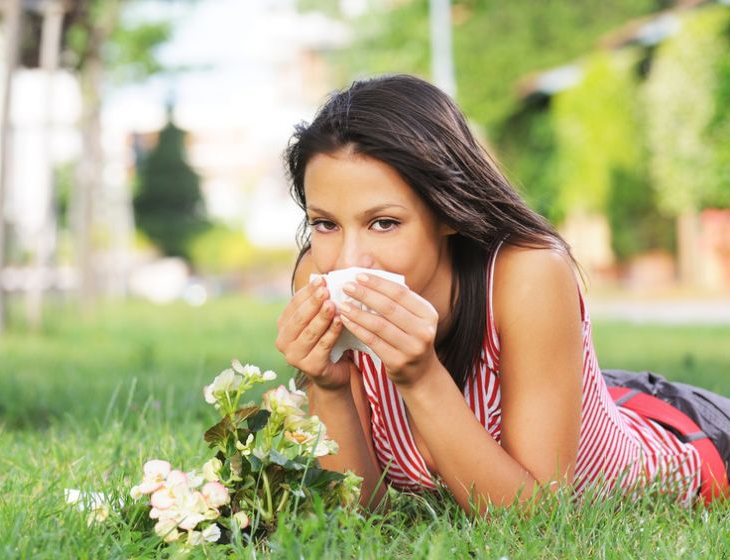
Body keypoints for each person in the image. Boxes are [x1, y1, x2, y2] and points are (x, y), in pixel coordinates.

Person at [274, 74, 730, 514]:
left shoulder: (527, 273)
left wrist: (420, 376)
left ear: (448, 211)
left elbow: (535, 517)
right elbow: (358, 513)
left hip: (695, 447)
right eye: (325, 224)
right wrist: (328, 387)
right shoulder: (317, 272)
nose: (349, 259)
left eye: (385, 223)